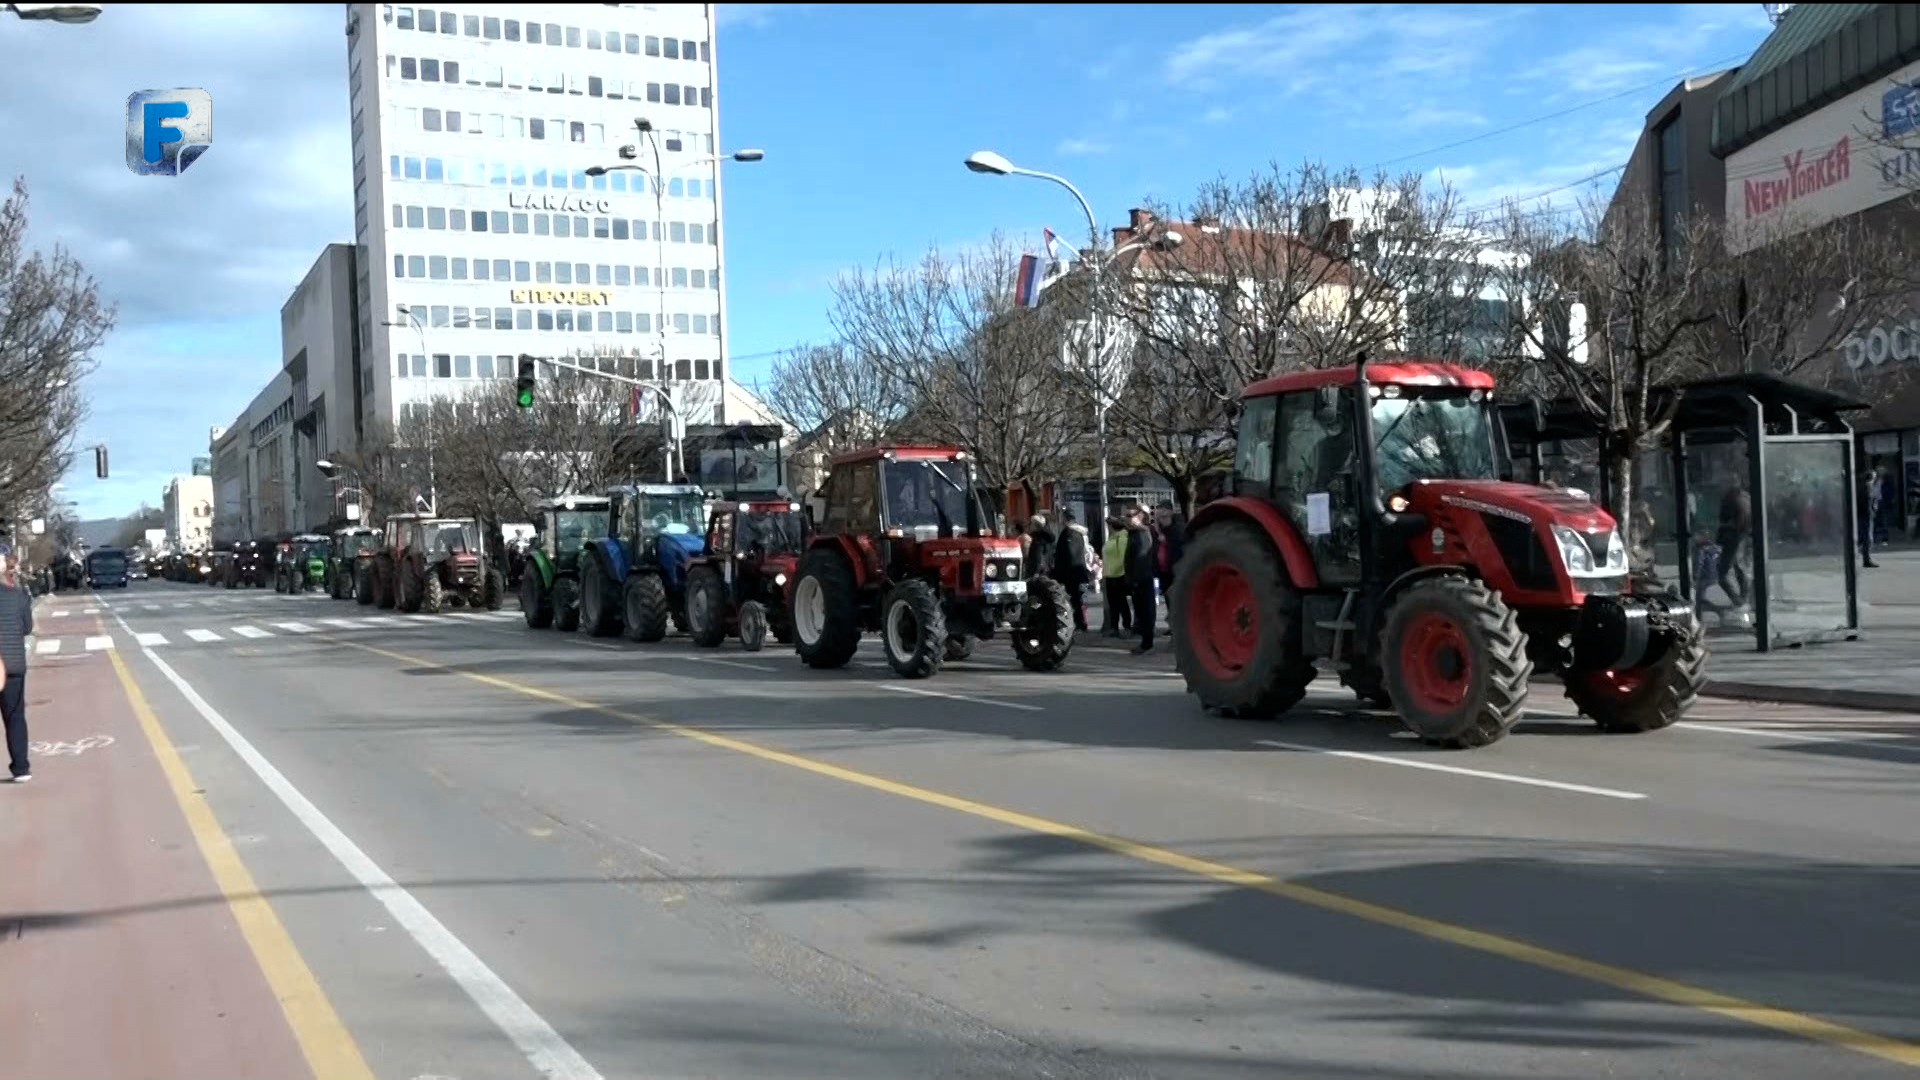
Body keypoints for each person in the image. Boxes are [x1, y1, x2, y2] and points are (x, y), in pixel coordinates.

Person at [0, 549, 34, 782]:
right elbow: (28, 627)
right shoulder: (18, 594)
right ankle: (21, 768)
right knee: (15, 717)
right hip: (12, 665)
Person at [1124, 505, 1159, 655]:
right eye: (1126, 515)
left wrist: (1136, 579)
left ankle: (1147, 643)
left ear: (1139, 516)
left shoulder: (1142, 533)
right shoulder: (1133, 533)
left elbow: (1141, 558)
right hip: (1136, 578)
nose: (1127, 518)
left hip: (1143, 578)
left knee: (1146, 611)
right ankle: (1145, 641)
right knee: (1141, 611)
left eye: (1130, 515)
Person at [1053, 510, 1091, 632]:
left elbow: (1071, 554)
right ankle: (1078, 622)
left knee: (1075, 600)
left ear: (1066, 519)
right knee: (1076, 600)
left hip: (1072, 574)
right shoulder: (1077, 534)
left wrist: (1062, 573)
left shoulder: (1071, 534)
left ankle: (1080, 623)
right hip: (1075, 573)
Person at [1101, 515, 1131, 638]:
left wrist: (1119, 571)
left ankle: (1127, 626)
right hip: (1109, 574)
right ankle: (1114, 627)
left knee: (1121, 602)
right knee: (1113, 603)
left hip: (1119, 575)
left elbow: (1123, 557)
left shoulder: (1122, 538)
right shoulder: (1112, 538)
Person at [1861, 465, 1883, 569]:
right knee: (1868, 538)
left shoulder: (1864, 487)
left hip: (1865, 514)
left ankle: (1866, 558)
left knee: (1867, 537)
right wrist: (1873, 509)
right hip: (1866, 515)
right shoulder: (1868, 487)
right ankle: (1867, 559)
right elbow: (1869, 502)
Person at [1024, 513, 1057, 580]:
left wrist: (1035, 572)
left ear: (1035, 525)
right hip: (1048, 570)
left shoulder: (1037, 539)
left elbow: (1037, 556)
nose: (1029, 525)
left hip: (1038, 572)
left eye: (1031, 523)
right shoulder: (1048, 538)